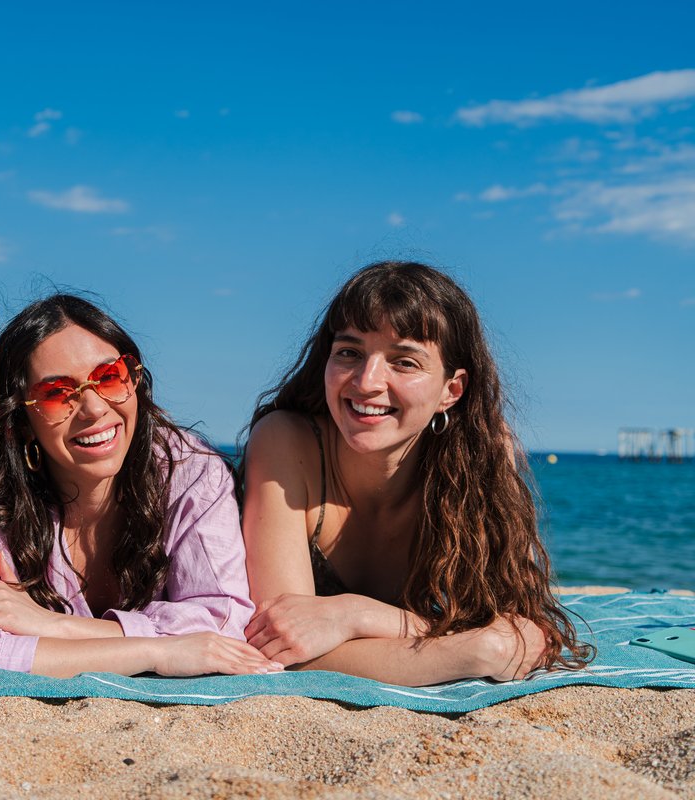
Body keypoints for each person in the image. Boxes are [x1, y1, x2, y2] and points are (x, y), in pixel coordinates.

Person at [242, 261, 592, 686]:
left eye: (404, 362)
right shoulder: (287, 442)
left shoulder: (476, 453)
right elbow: (281, 645)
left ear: (452, 390)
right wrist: (470, 651)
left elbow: (525, 631)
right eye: (349, 352)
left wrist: (353, 615)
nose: (368, 382)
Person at [0, 294, 279, 678]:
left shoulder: (190, 471)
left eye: (109, 377)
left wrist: (54, 626)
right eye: (57, 393)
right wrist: (159, 653)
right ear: (20, 424)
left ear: (135, 380)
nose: (94, 409)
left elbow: (224, 622)